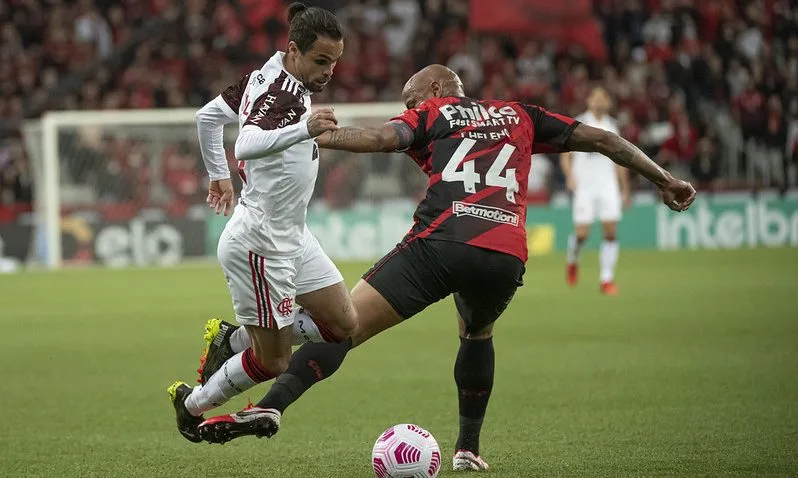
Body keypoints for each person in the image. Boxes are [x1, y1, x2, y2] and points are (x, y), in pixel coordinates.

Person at [194, 65, 696, 472]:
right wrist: (665, 178)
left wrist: (307, 137)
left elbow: (375, 138)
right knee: (477, 334)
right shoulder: (520, 113)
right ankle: (468, 450)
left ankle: (271, 405)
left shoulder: (431, 112)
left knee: (344, 326)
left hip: (440, 243)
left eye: (411, 99)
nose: (408, 109)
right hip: (503, 255)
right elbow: (604, 140)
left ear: (434, 89)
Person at [166, 2, 357, 444]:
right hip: (260, 244)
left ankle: (229, 343)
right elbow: (248, 142)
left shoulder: (266, 76)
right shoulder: (284, 96)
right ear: (294, 49)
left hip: (294, 235)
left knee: (343, 325)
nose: (329, 71)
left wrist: (218, 175)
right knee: (272, 361)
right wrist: (305, 129)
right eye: (321, 60)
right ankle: (191, 404)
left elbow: (208, 117)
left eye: (335, 61)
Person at [560, 86, 630, 295]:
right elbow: (566, 154)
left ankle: (606, 279)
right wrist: (570, 176)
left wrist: (624, 188)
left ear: (609, 102)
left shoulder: (613, 127)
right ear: (589, 100)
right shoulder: (579, 123)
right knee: (582, 234)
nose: (599, 101)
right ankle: (573, 259)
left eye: (603, 97)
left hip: (608, 185)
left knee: (610, 233)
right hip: (585, 187)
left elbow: (621, 161)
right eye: (596, 97)